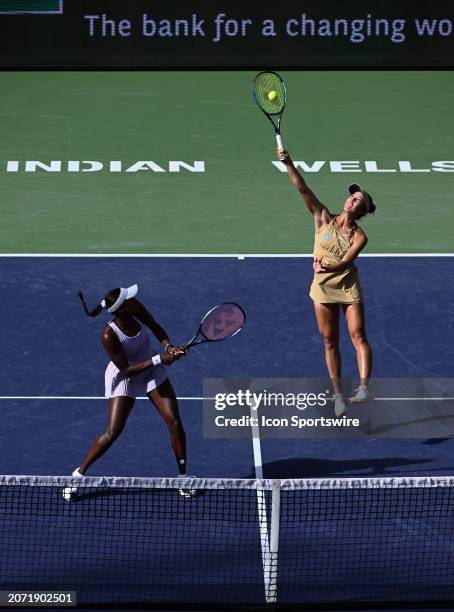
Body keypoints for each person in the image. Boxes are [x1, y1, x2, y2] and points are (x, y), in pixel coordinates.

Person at [64, 284, 194, 498]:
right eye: (128, 299)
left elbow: (155, 326)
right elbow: (125, 369)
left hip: (151, 369)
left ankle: (183, 479)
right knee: (113, 431)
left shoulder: (134, 307)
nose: (132, 299)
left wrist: (168, 347)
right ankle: (77, 475)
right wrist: (159, 359)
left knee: (174, 422)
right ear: (121, 309)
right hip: (125, 375)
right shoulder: (108, 335)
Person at [278, 148, 376, 416]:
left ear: (362, 209)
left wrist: (324, 266)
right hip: (322, 289)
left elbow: (345, 262)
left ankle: (364, 387)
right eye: (351, 196)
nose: (351, 201)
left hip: (346, 286)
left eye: (357, 201)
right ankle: (338, 396)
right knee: (329, 340)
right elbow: (303, 189)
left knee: (357, 334)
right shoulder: (323, 217)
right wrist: (289, 164)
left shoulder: (360, 237)